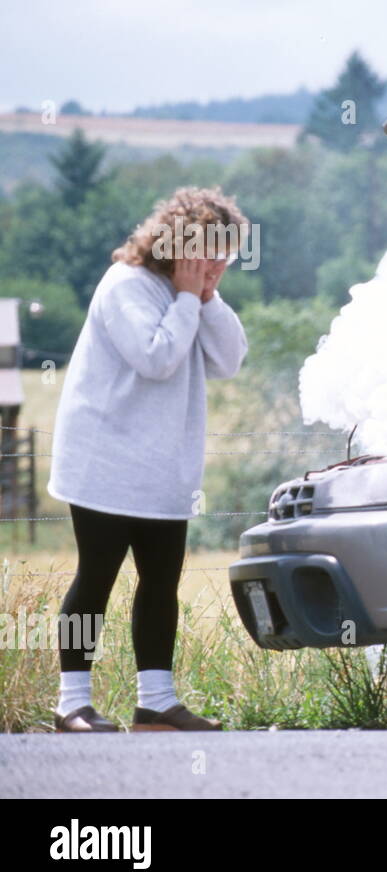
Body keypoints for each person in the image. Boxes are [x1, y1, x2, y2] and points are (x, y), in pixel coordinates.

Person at [47, 186, 250, 732]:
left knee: (161, 582)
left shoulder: (192, 294)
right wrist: (188, 298)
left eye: (225, 255)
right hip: (106, 462)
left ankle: (155, 702)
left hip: (163, 467)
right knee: (96, 579)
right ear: (179, 244)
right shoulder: (126, 285)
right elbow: (156, 359)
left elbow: (229, 359)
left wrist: (205, 299)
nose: (219, 264)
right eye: (211, 252)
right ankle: (71, 704)